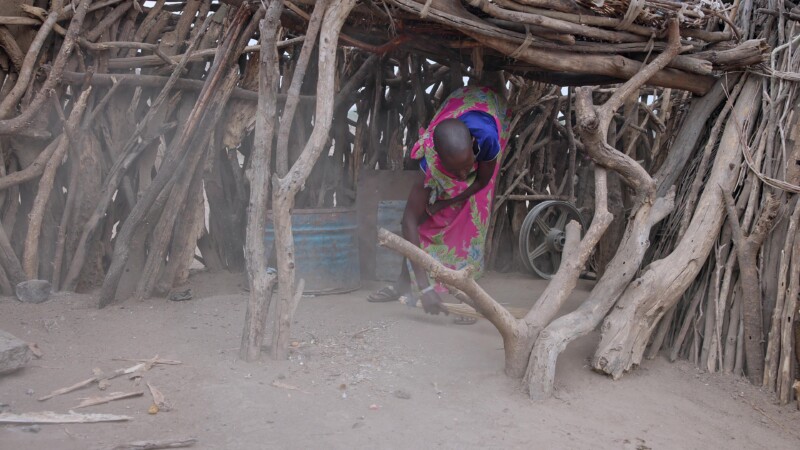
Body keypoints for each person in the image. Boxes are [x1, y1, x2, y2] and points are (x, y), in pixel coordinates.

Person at [367, 85, 510, 320]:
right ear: (440, 161)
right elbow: (409, 221)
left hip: (488, 105)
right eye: (456, 170)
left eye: (467, 167)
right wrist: (425, 289)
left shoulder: (487, 138)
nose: (464, 175)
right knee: (424, 223)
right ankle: (404, 284)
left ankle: (466, 297)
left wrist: (447, 202)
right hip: (457, 110)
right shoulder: (430, 164)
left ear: (473, 146)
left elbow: (481, 181)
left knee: (472, 222)